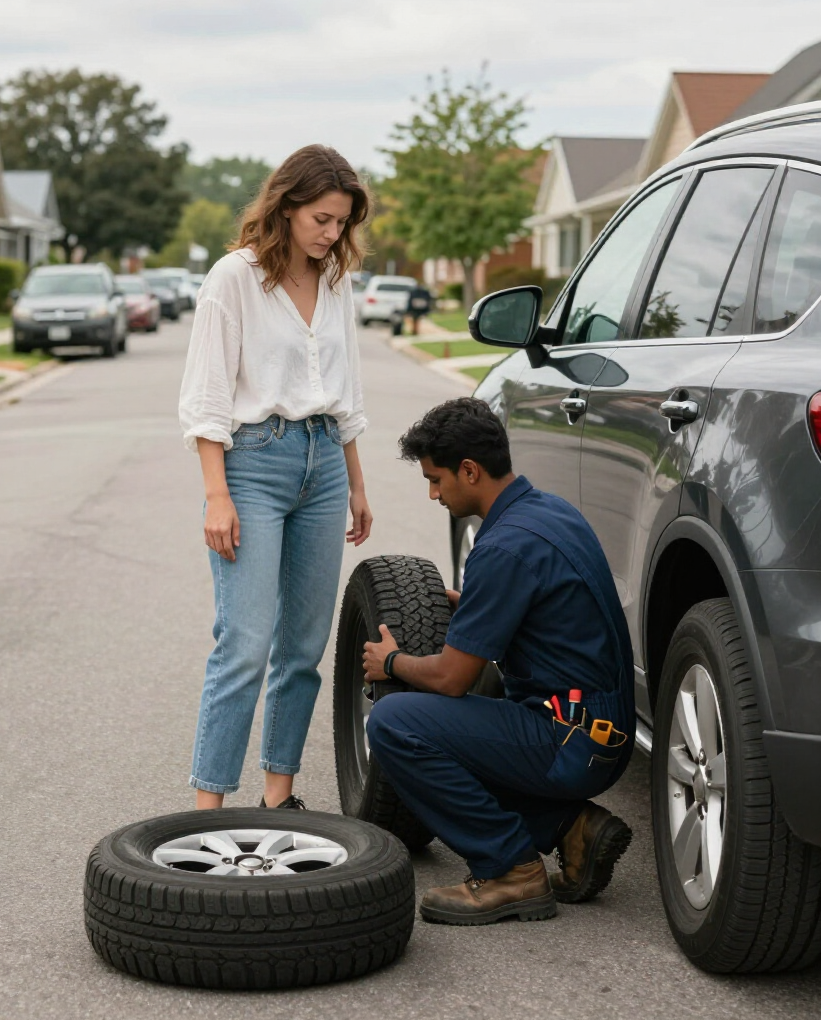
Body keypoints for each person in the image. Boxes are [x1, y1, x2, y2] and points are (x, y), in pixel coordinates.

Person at [362, 397, 634, 925]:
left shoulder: (503, 547)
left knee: (397, 723)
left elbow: (450, 680)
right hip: (603, 734)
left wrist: (392, 661)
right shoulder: (549, 512)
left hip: (566, 742)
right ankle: (571, 829)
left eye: (437, 479)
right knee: (470, 724)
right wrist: (477, 606)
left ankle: (511, 869)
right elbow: (545, 609)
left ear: (470, 469)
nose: (433, 493)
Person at [179, 145, 373, 811]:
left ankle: (278, 795)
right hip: (254, 464)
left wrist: (356, 483)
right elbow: (205, 398)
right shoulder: (233, 278)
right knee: (245, 642)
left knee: (303, 647)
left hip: (323, 464)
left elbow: (344, 394)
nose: (332, 233)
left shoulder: (337, 283)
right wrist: (217, 495)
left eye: (341, 222)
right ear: (285, 207)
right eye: (321, 218)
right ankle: (207, 811)